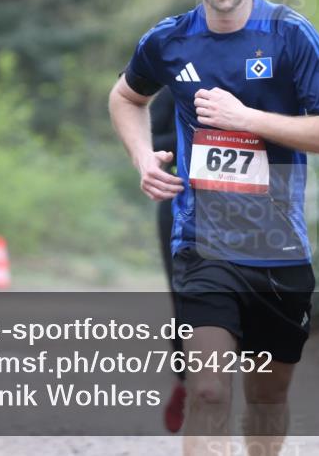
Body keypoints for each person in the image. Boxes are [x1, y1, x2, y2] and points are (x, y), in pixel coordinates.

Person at [109, 0, 319, 456]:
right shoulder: (169, 42)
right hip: (203, 247)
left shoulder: (292, 37)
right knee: (211, 391)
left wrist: (248, 119)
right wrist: (144, 157)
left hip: (280, 250)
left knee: (266, 401)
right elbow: (125, 96)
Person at [150, 88, 187, 433]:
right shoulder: (175, 73)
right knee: (185, 304)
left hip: (247, 208)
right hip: (179, 204)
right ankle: (186, 383)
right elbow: (154, 140)